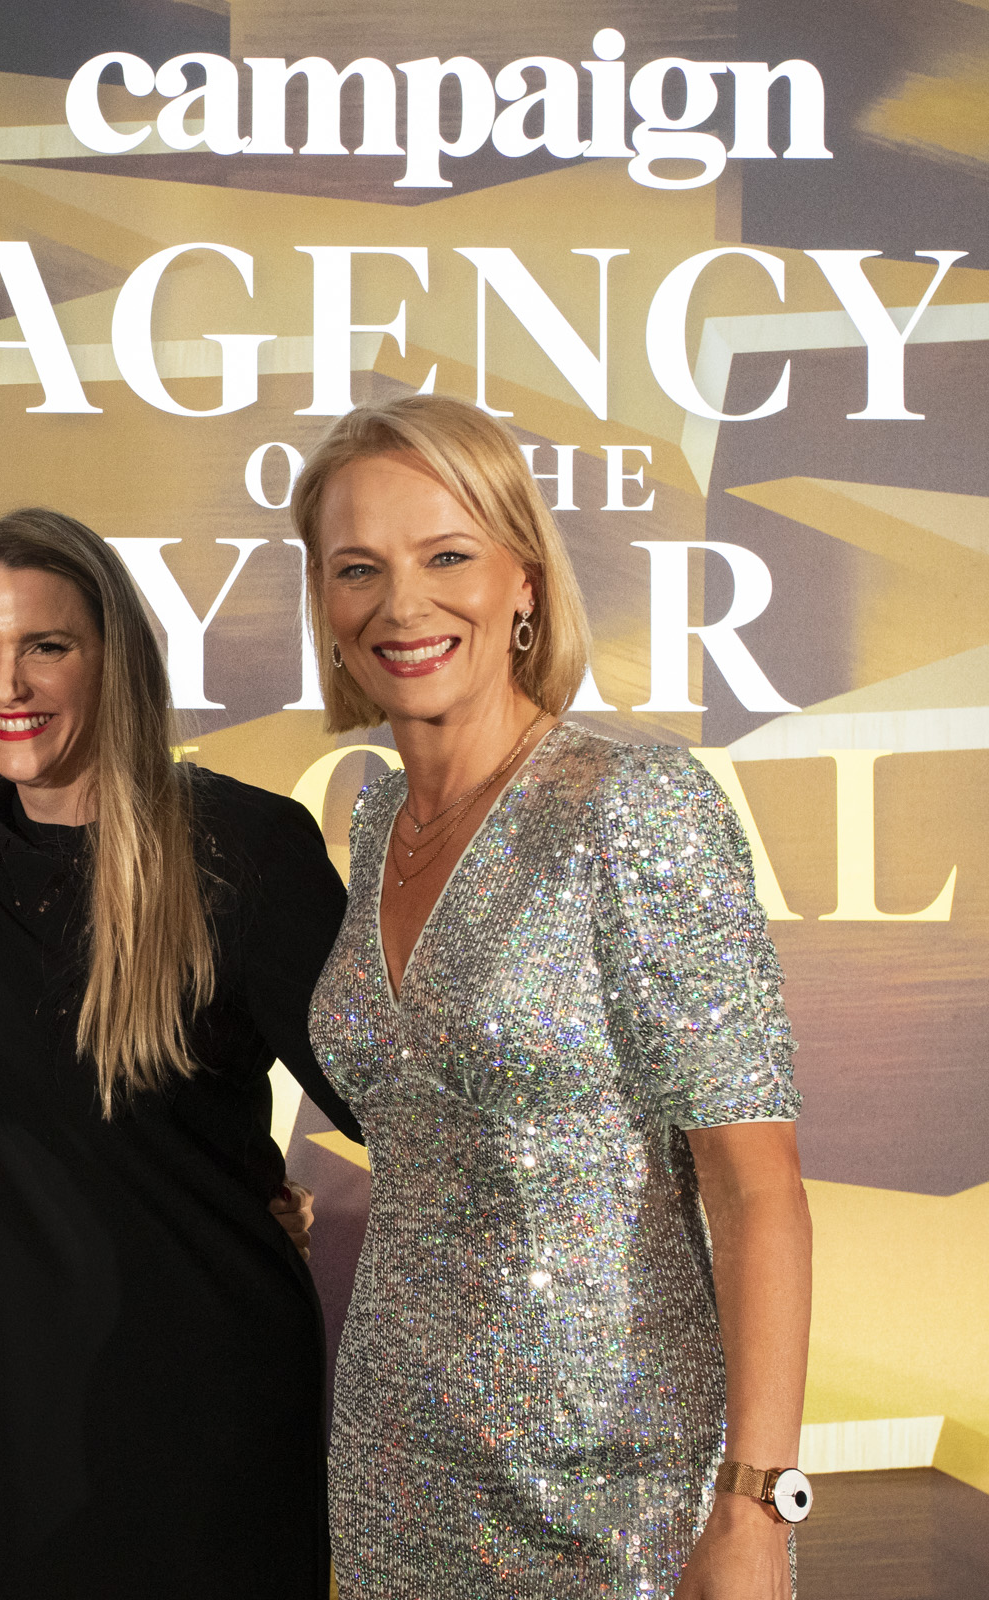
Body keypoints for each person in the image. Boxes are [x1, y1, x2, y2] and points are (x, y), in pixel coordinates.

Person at [297, 394, 811, 1599]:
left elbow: (756, 1186)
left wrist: (755, 1502)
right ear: (324, 600)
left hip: (616, 1494)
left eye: (447, 556)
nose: (402, 604)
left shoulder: (635, 806)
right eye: (359, 567)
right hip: (391, 1469)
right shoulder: (377, 819)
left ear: (523, 580)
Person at [0, 508, 362, 1598]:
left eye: (45, 646)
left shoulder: (246, 846)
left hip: (203, 1403)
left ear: (115, 655)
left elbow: (388, 1097)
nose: (6, 685)